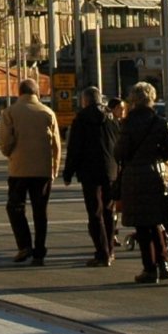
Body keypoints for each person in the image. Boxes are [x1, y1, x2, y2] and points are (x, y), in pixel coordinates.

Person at [112, 81, 168, 285]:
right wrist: (156, 154)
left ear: (132, 100)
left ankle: (149, 269)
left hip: (133, 177)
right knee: (156, 221)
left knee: (142, 225)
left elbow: (119, 152)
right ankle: (163, 263)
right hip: (155, 175)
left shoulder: (127, 123)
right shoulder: (159, 122)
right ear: (152, 99)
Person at [0, 78, 61, 265]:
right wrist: (54, 169)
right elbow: (56, 145)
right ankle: (39, 251)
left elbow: (5, 143)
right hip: (43, 170)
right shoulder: (48, 113)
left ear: (20, 93)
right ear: (36, 94)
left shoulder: (10, 112)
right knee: (40, 211)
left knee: (15, 207)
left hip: (19, 170)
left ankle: (24, 245)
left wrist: (10, 153)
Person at [62, 85, 120, 267]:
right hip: (111, 170)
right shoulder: (111, 118)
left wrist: (68, 172)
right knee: (109, 211)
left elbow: (75, 148)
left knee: (95, 213)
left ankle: (101, 253)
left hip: (89, 171)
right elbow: (118, 143)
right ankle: (110, 250)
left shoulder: (81, 119)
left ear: (85, 100)